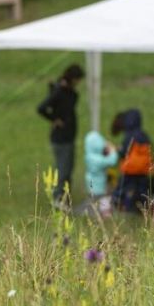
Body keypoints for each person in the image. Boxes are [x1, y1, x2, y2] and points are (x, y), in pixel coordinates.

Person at [37, 64, 85, 207]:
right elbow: (41, 108)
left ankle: (65, 196)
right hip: (61, 138)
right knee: (63, 169)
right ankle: (58, 198)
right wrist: (54, 119)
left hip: (68, 137)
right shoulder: (60, 92)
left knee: (67, 168)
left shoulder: (66, 91)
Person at [112, 109, 153, 212]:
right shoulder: (144, 135)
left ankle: (119, 206)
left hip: (130, 169)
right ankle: (144, 209)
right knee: (143, 191)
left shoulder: (129, 135)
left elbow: (124, 152)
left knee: (123, 189)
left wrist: (117, 150)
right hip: (143, 169)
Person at [83, 130, 119, 216]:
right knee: (101, 200)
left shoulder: (89, 155)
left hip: (92, 182)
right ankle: (103, 215)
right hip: (98, 185)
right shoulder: (96, 159)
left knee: (94, 200)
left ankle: (95, 214)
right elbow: (112, 161)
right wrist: (113, 151)